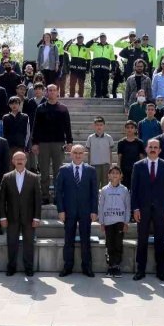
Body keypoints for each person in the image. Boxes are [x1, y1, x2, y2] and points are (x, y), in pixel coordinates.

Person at [130, 139, 164, 281]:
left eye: (156, 147)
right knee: (142, 239)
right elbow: (134, 189)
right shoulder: (138, 166)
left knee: (160, 240)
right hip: (142, 209)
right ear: (146, 149)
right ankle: (140, 270)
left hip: (161, 209)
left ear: (160, 150)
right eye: (151, 147)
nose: (153, 149)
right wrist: (135, 208)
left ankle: (161, 270)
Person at [55, 145, 99, 277]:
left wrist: (94, 210)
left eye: (80, 153)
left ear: (84, 154)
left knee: (86, 239)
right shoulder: (63, 170)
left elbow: (94, 193)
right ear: (70, 154)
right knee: (69, 239)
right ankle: (67, 266)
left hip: (86, 211)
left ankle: (87, 267)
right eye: (75, 153)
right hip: (69, 211)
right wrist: (61, 210)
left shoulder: (91, 170)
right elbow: (58, 192)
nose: (78, 155)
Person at [0, 151, 41, 277]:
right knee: (12, 242)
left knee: (29, 243)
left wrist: (37, 217)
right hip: (12, 217)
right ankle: (11, 267)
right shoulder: (7, 177)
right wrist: (2, 216)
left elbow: (38, 200)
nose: (20, 161)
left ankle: (29, 268)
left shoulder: (34, 177)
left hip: (29, 217)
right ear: (13, 161)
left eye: (22, 158)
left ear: (26, 161)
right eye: (17, 159)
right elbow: (1, 199)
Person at [31, 84, 72, 204]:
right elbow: (36, 127)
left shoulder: (63, 109)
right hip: (43, 144)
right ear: (46, 93)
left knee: (58, 172)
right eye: (50, 90)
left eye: (54, 90)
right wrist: (34, 143)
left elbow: (67, 127)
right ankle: (44, 195)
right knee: (43, 171)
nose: (52, 92)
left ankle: (57, 196)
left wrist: (69, 141)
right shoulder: (40, 108)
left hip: (58, 143)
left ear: (57, 92)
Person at [98, 165, 130, 278]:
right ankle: (110, 266)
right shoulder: (104, 190)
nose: (115, 174)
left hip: (120, 221)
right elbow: (101, 206)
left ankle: (117, 266)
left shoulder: (124, 190)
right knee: (109, 244)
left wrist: (126, 222)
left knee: (118, 244)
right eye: (112, 173)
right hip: (108, 221)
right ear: (108, 175)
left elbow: (127, 206)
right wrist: (101, 221)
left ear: (121, 176)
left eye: (117, 173)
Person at [86, 117, 114, 188]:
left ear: (104, 126)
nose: (99, 127)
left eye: (101, 125)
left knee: (105, 185)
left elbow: (110, 152)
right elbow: (89, 152)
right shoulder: (90, 138)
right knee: (95, 185)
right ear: (94, 126)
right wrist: (89, 164)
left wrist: (110, 164)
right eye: (97, 125)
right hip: (94, 165)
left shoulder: (108, 137)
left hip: (106, 165)